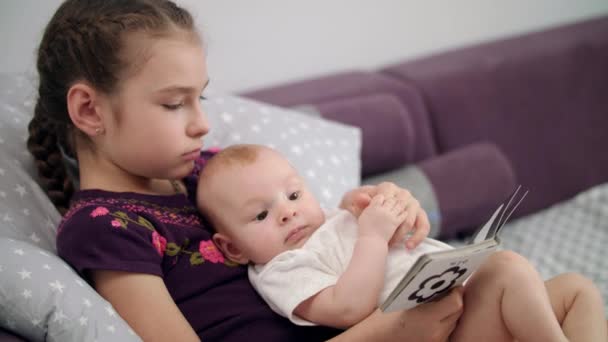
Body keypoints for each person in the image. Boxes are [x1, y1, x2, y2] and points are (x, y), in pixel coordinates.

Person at [26, 1, 468, 341]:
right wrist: (389, 330)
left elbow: (310, 246)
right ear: (88, 110)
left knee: (507, 280)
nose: (201, 123)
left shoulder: (207, 171)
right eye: (175, 103)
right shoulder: (106, 229)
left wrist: (371, 212)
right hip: (380, 329)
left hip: (380, 315)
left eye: (201, 98)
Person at [197, 143, 608, 342]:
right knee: (508, 267)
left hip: (467, 301)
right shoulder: (279, 270)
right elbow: (347, 307)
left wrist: (376, 212)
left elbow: (409, 244)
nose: (287, 212)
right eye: (261, 215)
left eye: (292, 195)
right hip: (443, 332)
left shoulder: (334, 220)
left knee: (577, 290)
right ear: (232, 248)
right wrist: (373, 235)